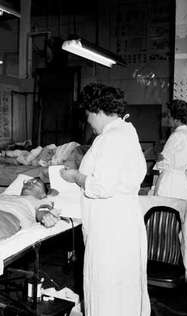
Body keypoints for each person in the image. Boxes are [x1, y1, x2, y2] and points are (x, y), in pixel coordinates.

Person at [59, 83, 150, 316]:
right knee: (122, 293)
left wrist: (75, 177)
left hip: (111, 230)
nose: (88, 121)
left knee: (107, 292)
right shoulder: (126, 131)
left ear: (97, 110)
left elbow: (101, 185)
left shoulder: (111, 138)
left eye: (88, 115)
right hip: (122, 224)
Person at [152, 99, 187, 200]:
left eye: (169, 116)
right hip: (181, 184)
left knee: (164, 213)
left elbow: (162, 163)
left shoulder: (176, 136)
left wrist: (157, 156)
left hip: (168, 184)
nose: (168, 119)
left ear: (176, 119)